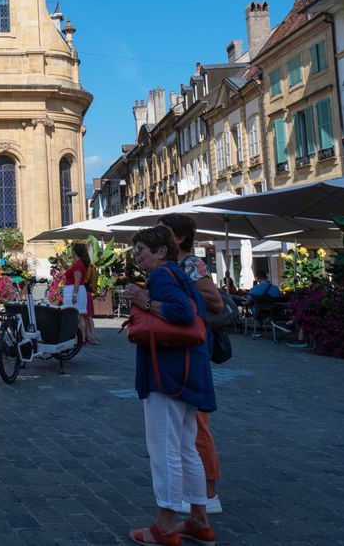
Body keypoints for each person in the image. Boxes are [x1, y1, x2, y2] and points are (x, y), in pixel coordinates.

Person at [122, 226, 216, 546]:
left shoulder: (162, 277)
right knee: (187, 448)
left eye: (141, 250)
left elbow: (178, 313)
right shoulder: (181, 276)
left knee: (164, 450)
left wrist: (143, 300)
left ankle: (166, 524)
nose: (137, 256)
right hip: (188, 374)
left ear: (162, 251)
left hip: (168, 375)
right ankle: (200, 520)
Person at [157, 212, 226, 515]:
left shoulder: (191, 265)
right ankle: (197, 490)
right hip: (182, 347)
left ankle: (209, 493)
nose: (156, 237)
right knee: (188, 423)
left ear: (179, 238)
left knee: (197, 422)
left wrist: (180, 290)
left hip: (196, 346)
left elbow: (215, 300)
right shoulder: (175, 266)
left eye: (162, 233)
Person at [65, 243, 96, 345]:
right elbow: (72, 274)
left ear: (75, 252)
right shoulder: (78, 263)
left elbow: (77, 281)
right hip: (79, 290)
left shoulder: (78, 265)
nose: (71, 252)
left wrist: (74, 295)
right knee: (80, 316)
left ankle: (77, 338)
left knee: (75, 316)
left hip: (75, 291)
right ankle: (81, 339)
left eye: (72, 250)